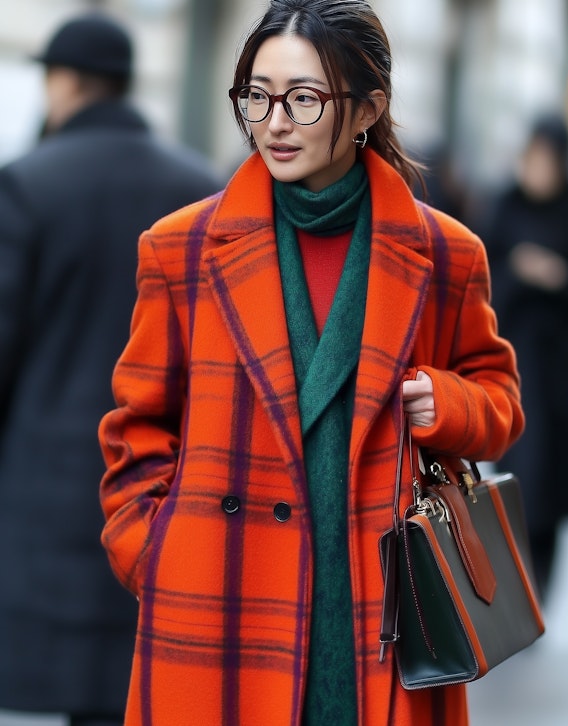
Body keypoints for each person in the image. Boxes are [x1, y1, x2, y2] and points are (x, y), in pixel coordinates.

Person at [98, 1, 524, 724]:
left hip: (381, 612)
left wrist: (447, 403)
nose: (275, 122)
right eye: (256, 96)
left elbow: (500, 403)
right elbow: (136, 428)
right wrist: (158, 556)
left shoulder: (447, 254)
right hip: (222, 600)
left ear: (367, 109)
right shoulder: (181, 249)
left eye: (303, 98)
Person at [0, 11, 224, 726]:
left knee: (65, 685)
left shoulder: (27, 184)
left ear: (64, 82)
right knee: (135, 683)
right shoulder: (199, 190)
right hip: (165, 482)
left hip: (42, 485)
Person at [484, 113, 568, 601]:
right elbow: (483, 283)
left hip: (564, 371)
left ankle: (539, 584)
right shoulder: (503, 208)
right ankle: (516, 582)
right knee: (520, 472)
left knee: (552, 480)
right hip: (515, 361)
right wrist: (519, 273)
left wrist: (559, 277)